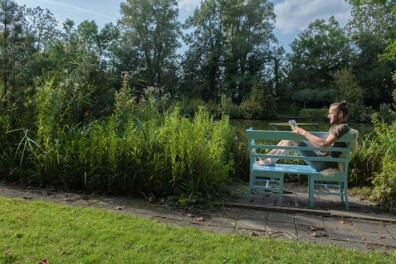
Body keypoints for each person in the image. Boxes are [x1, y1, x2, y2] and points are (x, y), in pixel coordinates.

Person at [256, 100, 351, 171]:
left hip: (322, 164)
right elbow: (324, 147)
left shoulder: (341, 128)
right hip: (321, 158)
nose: (328, 116)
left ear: (340, 114)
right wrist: (303, 137)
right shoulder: (339, 127)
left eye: (330, 113)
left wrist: (304, 133)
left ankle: (270, 160)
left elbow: (324, 144)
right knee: (291, 137)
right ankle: (268, 158)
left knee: (293, 138)